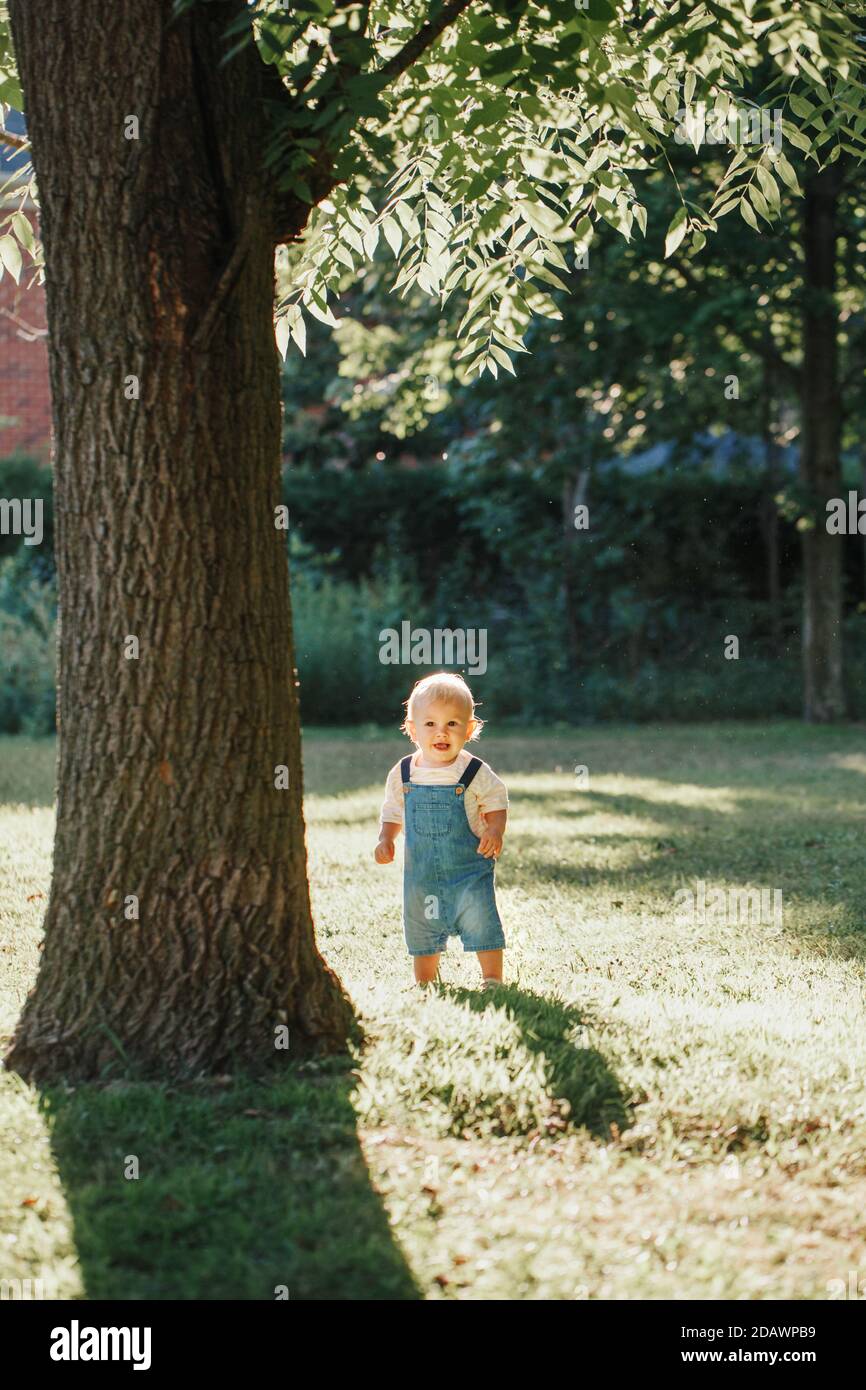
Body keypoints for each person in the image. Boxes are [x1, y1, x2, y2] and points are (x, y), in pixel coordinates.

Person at [374, 671, 508, 988]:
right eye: (430, 724)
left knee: (481, 919)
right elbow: (393, 808)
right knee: (422, 927)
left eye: (452, 724)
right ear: (412, 729)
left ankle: (492, 978)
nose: (441, 732)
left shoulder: (473, 770)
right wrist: (386, 837)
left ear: (470, 729)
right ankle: (425, 982)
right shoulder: (404, 771)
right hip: (421, 875)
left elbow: (495, 799)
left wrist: (495, 829)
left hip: (468, 870)